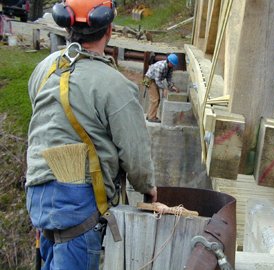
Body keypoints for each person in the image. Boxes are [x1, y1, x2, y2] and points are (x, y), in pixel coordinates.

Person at [25, 0, 157, 269]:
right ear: (108, 30)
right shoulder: (115, 86)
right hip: (77, 204)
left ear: (67, 26)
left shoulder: (45, 68)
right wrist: (149, 188)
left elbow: (44, 117)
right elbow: (135, 152)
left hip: (38, 194)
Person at [144, 53, 179, 123]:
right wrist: (164, 89)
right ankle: (151, 117)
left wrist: (172, 86)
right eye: (172, 64)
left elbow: (169, 78)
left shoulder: (170, 67)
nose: (173, 66)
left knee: (156, 99)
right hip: (148, 80)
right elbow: (158, 80)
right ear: (168, 61)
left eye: (174, 65)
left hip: (154, 80)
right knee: (155, 99)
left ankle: (149, 115)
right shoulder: (161, 66)